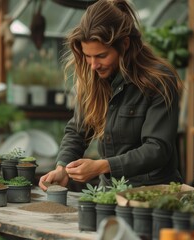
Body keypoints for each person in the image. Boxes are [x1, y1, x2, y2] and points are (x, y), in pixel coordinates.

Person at [38, 0, 184, 191]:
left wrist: (102, 166)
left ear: (124, 44)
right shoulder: (93, 77)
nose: (93, 65)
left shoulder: (158, 80)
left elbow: (157, 149)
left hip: (153, 195)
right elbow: (77, 132)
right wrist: (63, 167)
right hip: (109, 193)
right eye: (88, 56)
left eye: (101, 56)